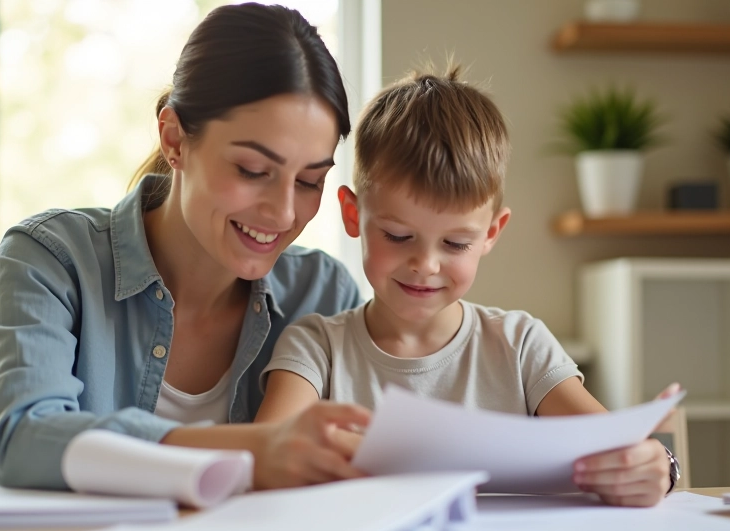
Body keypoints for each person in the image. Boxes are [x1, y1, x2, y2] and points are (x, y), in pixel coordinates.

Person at [0, 3, 371, 492]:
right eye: (252, 170)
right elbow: (22, 440)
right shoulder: (49, 260)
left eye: (310, 181)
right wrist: (250, 450)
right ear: (175, 139)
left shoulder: (324, 294)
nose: (285, 213)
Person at [253, 66, 680, 507]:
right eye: (398, 236)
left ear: (492, 233)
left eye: (456, 243)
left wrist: (654, 466)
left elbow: (614, 450)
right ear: (353, 215)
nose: (425, 265)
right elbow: (262, 462)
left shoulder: (520, 346)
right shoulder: (315, 347)